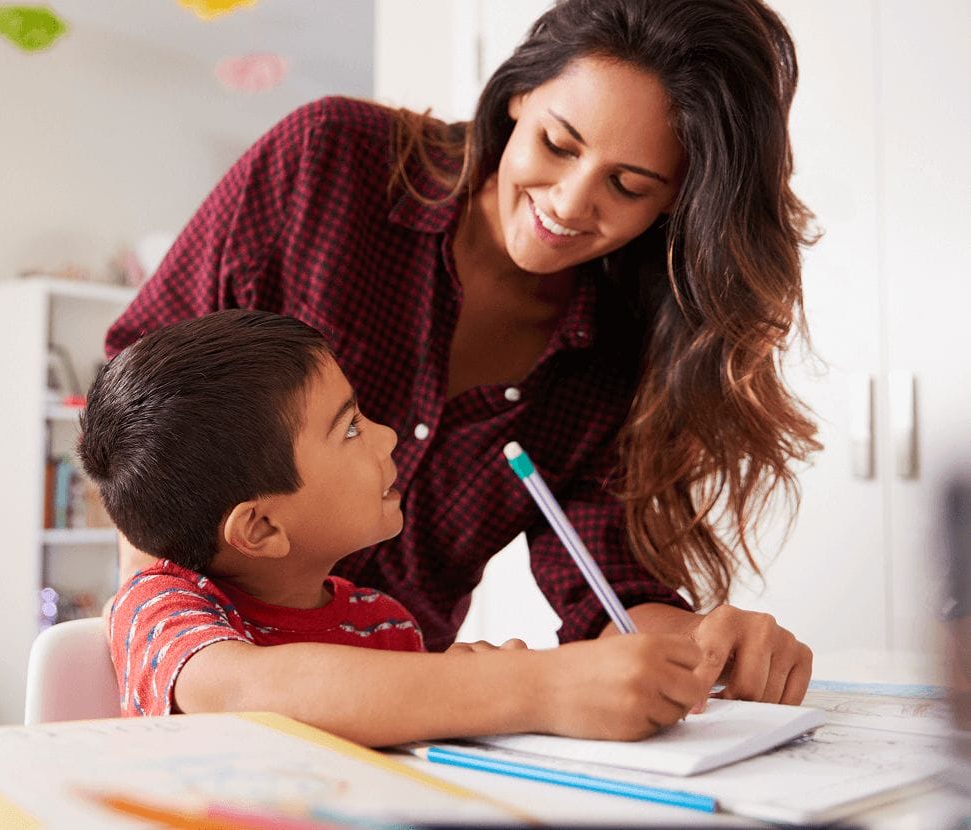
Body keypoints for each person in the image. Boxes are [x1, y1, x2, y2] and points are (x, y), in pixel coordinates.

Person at [105, 0, 818, 705]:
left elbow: (605, 586)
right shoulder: (328, 162)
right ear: (516, 96)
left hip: (405, 710)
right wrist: (163, 627)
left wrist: (696, 647)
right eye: (558, 144)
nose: (569, 204)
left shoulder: (623, 345)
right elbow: (144, 404)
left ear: (678, 201)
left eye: (628, 185)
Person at [80, 309, 709, 745]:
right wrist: (529, 687)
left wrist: (462, 695)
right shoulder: (161, 606)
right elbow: (244, 688)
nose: (385, 436)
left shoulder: (382, 624)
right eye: (349, 428)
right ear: (263, 526)